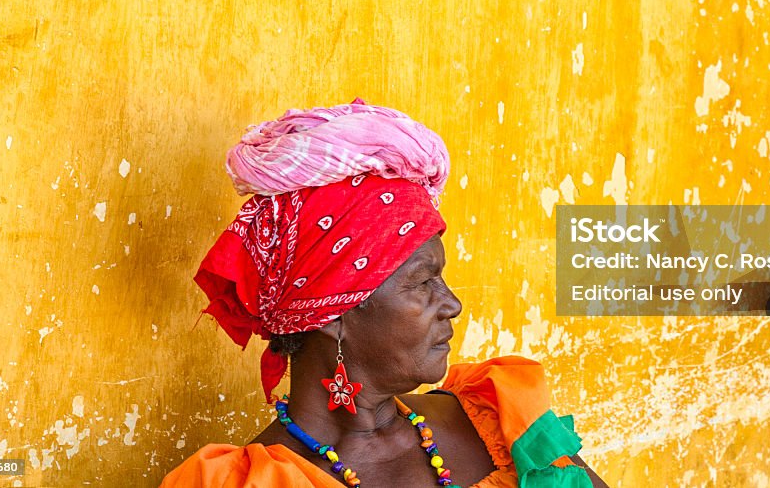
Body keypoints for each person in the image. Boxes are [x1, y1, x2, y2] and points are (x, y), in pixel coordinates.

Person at [160, 99, 608, 487]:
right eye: (422, 282)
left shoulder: (498, 422)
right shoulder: (250, 482)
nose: (452, 305)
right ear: (333, 314)